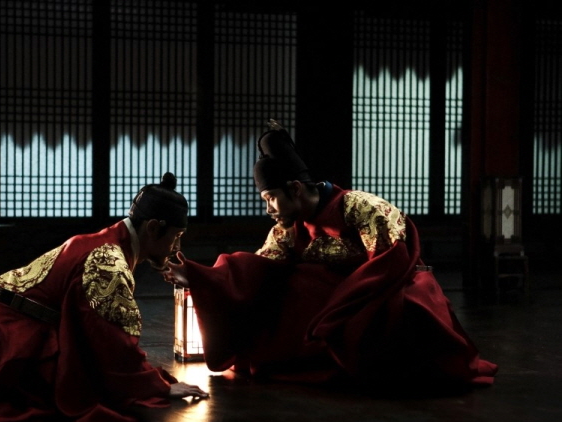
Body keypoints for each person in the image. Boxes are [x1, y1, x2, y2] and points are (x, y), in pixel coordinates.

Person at [163, 120, 498, 393]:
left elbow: (390, 262)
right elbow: (257, 267)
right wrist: (198, 275)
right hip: (339, 298)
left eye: (271, 198)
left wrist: (335, 311)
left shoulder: (359, 207)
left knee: (402, 306)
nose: (268, 209)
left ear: (295, 188)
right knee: (284, 285)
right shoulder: (289, 227)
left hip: (387, 290)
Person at [0, 172, 208, 422]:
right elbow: (112, 343)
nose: (176, 246)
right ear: (153, 228)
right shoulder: (108, 261)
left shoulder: (108, 243)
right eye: (176, 236)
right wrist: (157, 386)